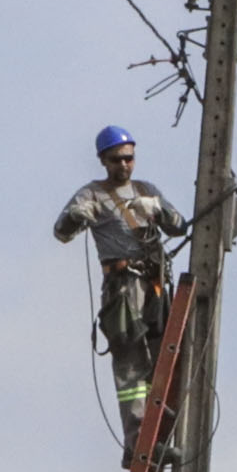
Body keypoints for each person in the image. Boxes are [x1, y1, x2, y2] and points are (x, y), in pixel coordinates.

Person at [52, 125, 182, 448]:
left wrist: (158, 210)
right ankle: (138, 441)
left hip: (154, 285)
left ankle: (163, 434)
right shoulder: (92, 193)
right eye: (116, 160)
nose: (124, 165)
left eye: (128, 159)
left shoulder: (144, 188)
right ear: (103, 161)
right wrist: (76, 216)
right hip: (122, 288)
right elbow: (61, 232)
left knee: (165, 359)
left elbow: (178, 225)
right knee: (132, 366)